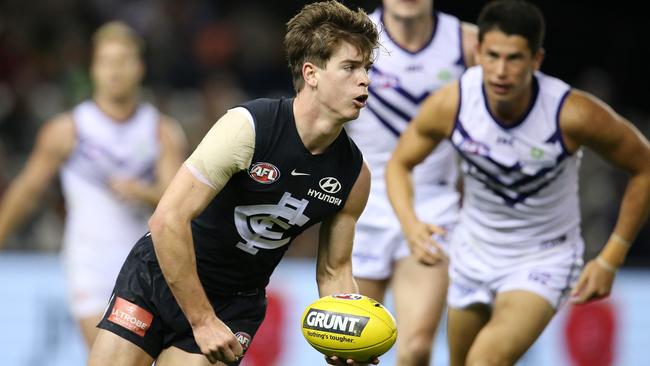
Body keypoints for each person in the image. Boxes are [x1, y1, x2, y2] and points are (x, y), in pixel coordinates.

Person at [87, 2, 380, 366]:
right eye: (350, 67)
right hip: (161, 275)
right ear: (312, 73)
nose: (364, 79)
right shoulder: (248, 127)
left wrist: (344, 336)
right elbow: (167, 220)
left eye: (367, 68)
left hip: (234, 303)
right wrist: (201, 319)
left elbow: (335, 271)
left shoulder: (355, 174)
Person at [385, 1, 650, 365]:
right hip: (472, 253)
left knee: (485, 361)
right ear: (478, 52)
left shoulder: (571, 113)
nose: (500, 71)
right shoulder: (453, 103)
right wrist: (411, 225)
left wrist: (611, 257)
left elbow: (644, 166)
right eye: (492, 55)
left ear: (536, 60)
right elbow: (399, 163)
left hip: (543, 257)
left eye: (514, 58)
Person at [0, 21, 188, 348]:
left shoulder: (161, 131)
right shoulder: (69, 130)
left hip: (146, 268)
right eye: (106, 62)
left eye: (123, 61)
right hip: (90, 267)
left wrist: (142, 191)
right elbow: (26, 191)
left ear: (139, 68)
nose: (114, 70)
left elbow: (180, 202)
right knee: (106, 355)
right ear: (94, 69)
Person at [345, 0, 477, 364]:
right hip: (361, 203)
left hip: (432, 205)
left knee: (417, 347)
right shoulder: (353, 36)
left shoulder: (467, 44)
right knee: (352, 353)